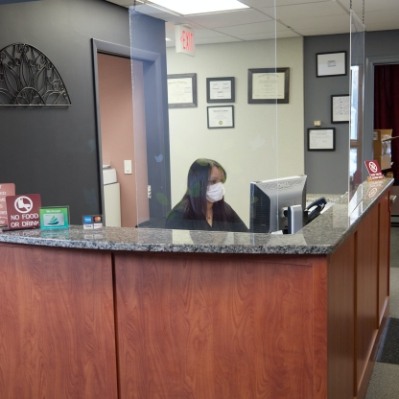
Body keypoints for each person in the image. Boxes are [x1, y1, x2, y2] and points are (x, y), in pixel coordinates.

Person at [165, 158, 248, 232]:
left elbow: (245, 237)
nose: (219, 186)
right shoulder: (179, 216)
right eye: (213, 182)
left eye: (221, 181)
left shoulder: (225, 209)